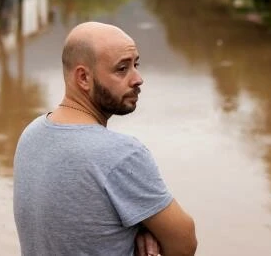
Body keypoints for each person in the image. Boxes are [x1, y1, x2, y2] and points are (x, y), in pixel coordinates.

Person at [13, 21, 197, 256]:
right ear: (83, 78)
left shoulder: (31, 134)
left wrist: (140, 227)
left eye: (135, 65)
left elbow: (83, 221)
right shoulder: (121, 154)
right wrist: (150, 232)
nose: (138, 78)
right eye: (122, 69)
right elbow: (184, 243)